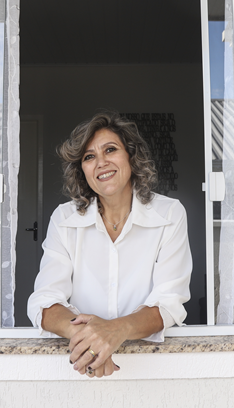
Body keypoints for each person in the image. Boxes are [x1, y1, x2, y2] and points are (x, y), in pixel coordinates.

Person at [27, 111, 192, 378]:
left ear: (131, 156)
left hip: (155, 371)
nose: (101, 162)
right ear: (82, 170)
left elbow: (169, 303)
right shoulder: (64, 219)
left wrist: (117, 330)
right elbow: (44, 302)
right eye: (89, 157)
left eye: (110, 150)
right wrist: (91, 339)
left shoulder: (170, 214)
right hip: (82, 369)